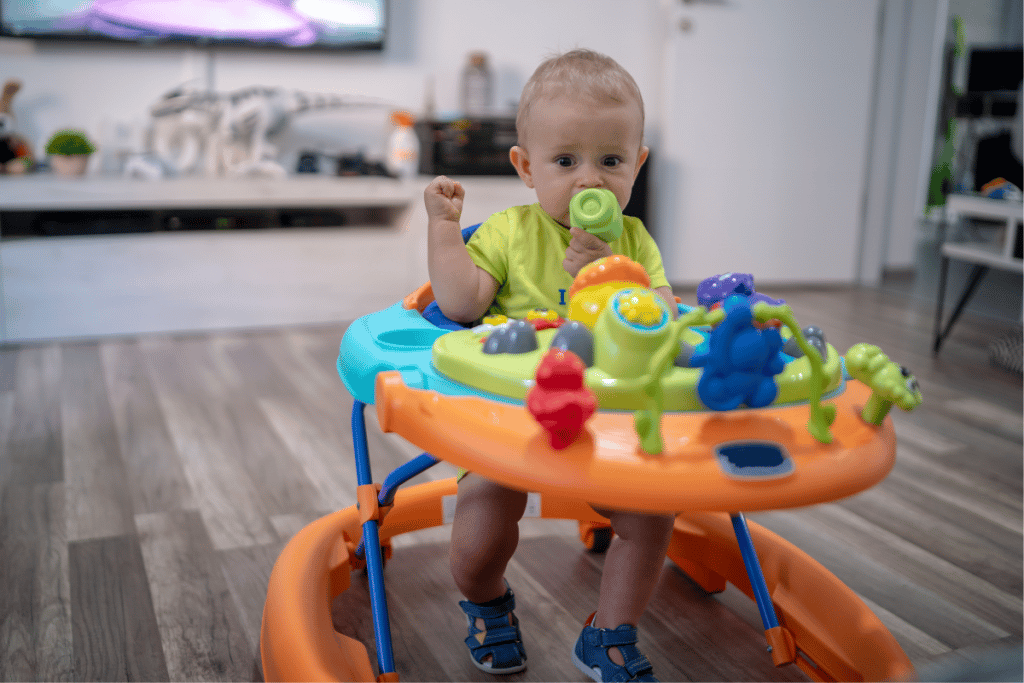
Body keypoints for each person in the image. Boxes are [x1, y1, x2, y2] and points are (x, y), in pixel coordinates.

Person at [423, 48, 676, 683]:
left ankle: (609, 633)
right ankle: (488, 602)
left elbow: (662, 321)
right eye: (566, 162)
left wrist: (609, 278)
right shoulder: (509, 233)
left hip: (610, 421)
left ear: (637, 166)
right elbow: (459, 304)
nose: (590, 181)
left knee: (653, 516)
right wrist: (444, 231)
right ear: (526, 167)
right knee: (478, 537)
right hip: (512, 418)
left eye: (611, 161)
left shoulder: (636, 240)